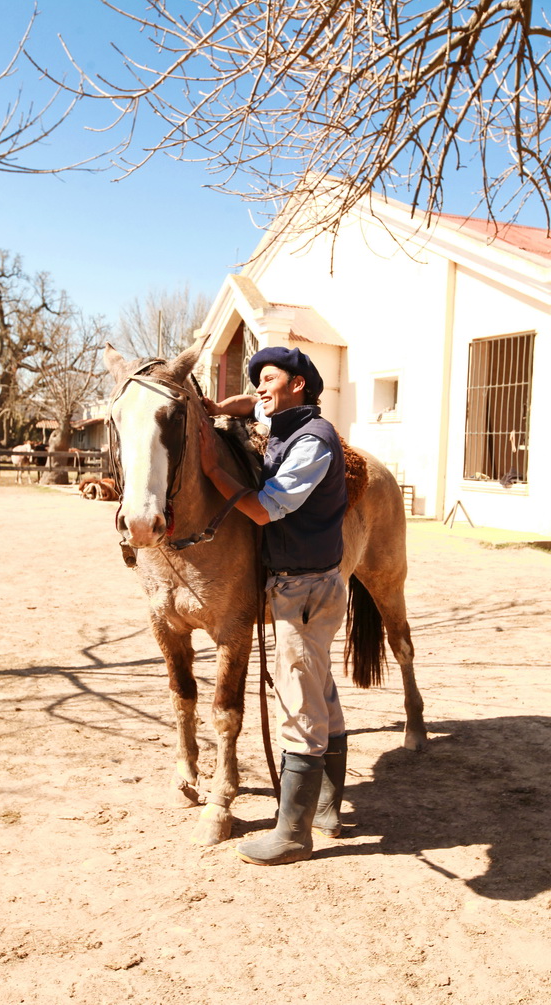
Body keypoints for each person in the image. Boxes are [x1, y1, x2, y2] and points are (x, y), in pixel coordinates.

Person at [198, 346, 349, 866]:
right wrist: (230, 409)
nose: (260, 387)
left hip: (303, 591)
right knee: (321, 693)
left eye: (268, 378)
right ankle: (327, 809)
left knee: (300, 707)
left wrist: (215, 474)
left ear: (300, 385)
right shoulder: (290, 428)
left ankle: (292, 834)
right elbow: (252, 410)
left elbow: (264, 510)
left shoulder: (313, 443)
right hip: (311, 585)